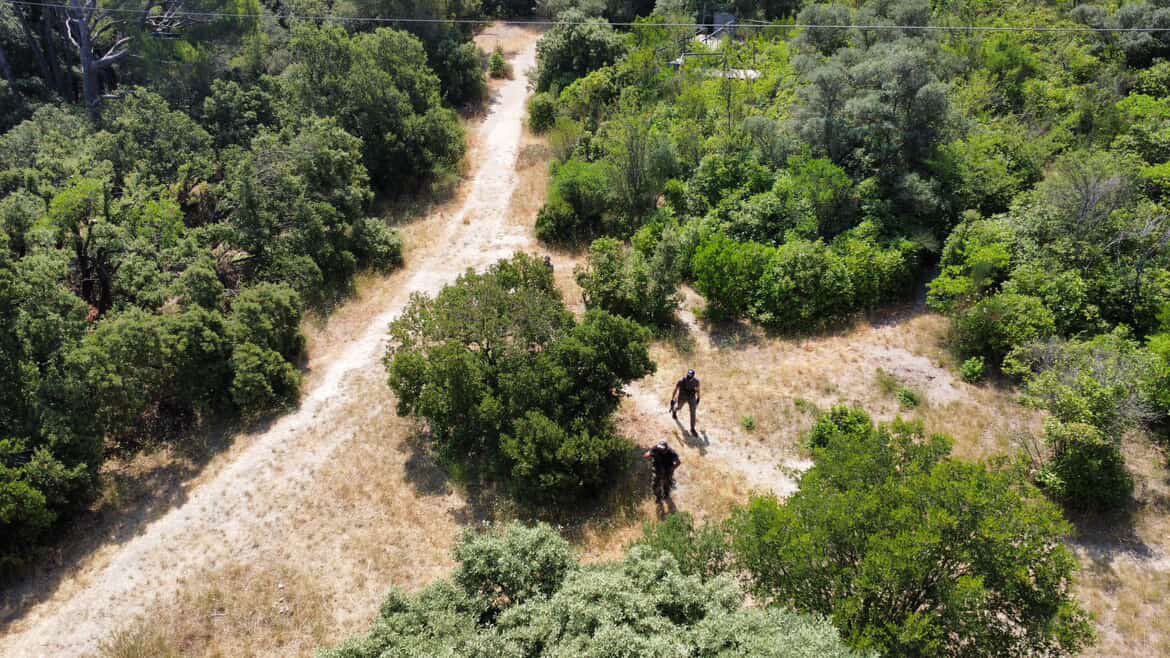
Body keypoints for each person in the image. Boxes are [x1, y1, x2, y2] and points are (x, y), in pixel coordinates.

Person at [671, 369, 701, 435]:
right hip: (682, 397)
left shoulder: (696, 381)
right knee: (679, 407)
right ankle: (674, 411)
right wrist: (672, 399)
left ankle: (692, 429)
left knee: (693, 413)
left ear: (693, 377)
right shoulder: (681, 381)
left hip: (692, 398)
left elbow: (698, 390)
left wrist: (698, 397)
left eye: (690, 377)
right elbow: (675, 389)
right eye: (688, 376)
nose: (688, 378)